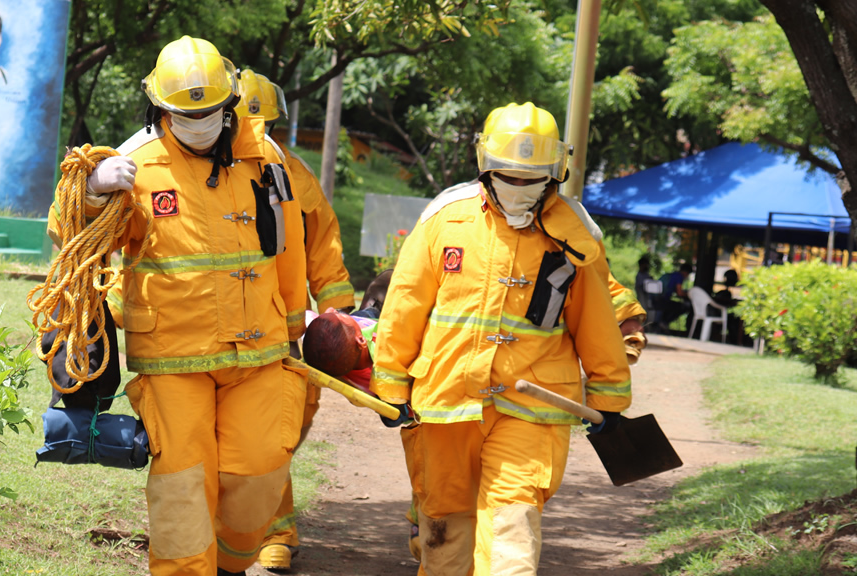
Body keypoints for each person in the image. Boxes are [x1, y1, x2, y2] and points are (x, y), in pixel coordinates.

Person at [57, 36, 308, 576]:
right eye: (184, 115)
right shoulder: (135, 164)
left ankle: (231, 563)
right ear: (161, 109)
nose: (199, 124)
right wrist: (95, 189)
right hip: (173, 361)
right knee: (183, 489)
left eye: (210, 113)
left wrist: (295, 329)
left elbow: (289, 248)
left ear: (230, 105)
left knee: (260, 471)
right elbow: (67, 236)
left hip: (259, 353)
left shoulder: (264, 158)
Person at [372, 102, 631, 575]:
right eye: (508, 175)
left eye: (531, 178)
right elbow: (404, 307)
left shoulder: (575, 236)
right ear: (484, 166)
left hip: (532, 406)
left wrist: (609, 398)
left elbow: (596, 322)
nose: (519, 187)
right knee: (445, 523)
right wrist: (389, 388)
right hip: (446, 401)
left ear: (556, 172)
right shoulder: (445, 219)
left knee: (512, 517)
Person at [232, 69, 355, 572]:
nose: (261, 138)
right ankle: (273, 529)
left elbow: (323, 248)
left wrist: (338, 318)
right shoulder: (198, 174)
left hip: (286, 327)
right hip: (221, 329)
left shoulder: (295, 176)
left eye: (267, 127)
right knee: (256, 431)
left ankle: (257, 519)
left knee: (287, 424)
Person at [660, 262, 693, 329]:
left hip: (659, 298)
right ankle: (664, 322)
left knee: (675, 305)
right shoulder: (679, 277)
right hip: (663, 300)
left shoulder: (673, 275)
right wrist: (690, 294)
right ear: (686, 272)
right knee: (683, 307)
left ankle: (663, 322)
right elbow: (679, 293)